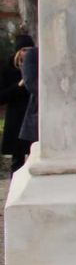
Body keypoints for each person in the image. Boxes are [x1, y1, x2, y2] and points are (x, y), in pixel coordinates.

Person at [0, 35, 34, 172]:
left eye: (31, 49)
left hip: (33, 117)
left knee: (34, 157)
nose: (27, 53)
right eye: (24, 49)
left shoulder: (36, 67)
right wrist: (19, 86)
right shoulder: (8, 69)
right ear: (18, 52)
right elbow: (2, 97)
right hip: (16, 119)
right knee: (17, 161)